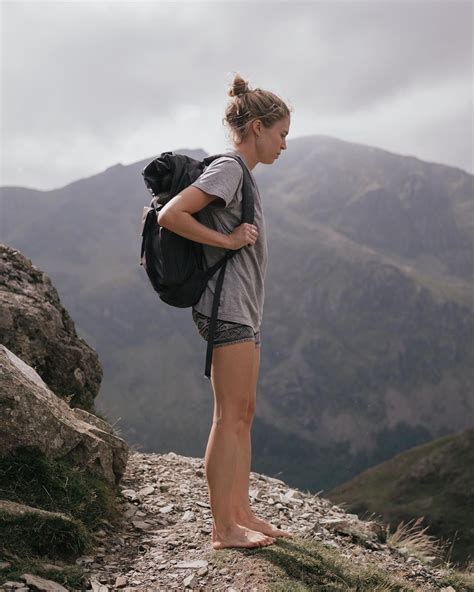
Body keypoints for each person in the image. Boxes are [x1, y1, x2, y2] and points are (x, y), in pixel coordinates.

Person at [158, 73, 292, 550]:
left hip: (244, 311)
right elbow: (171, 214)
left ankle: (241, 511)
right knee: (227, 416)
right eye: (281, 134)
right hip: (226, 308)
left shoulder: (243, 174)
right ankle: (223, 529)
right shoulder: (231, 168)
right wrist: (227, 240)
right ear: (257, 126)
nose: (283, 145)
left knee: (244, 414)